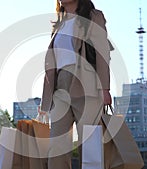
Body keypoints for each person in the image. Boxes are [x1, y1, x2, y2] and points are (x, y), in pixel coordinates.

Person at [39, 0, 112, 168]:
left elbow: (102, 52)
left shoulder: (94, 16)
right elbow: (51, 67)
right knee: (56, 147)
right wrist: (45, 104)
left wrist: (105, 88)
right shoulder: (59, 24)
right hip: (60, 89)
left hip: (86, 85)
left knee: (89, 144)